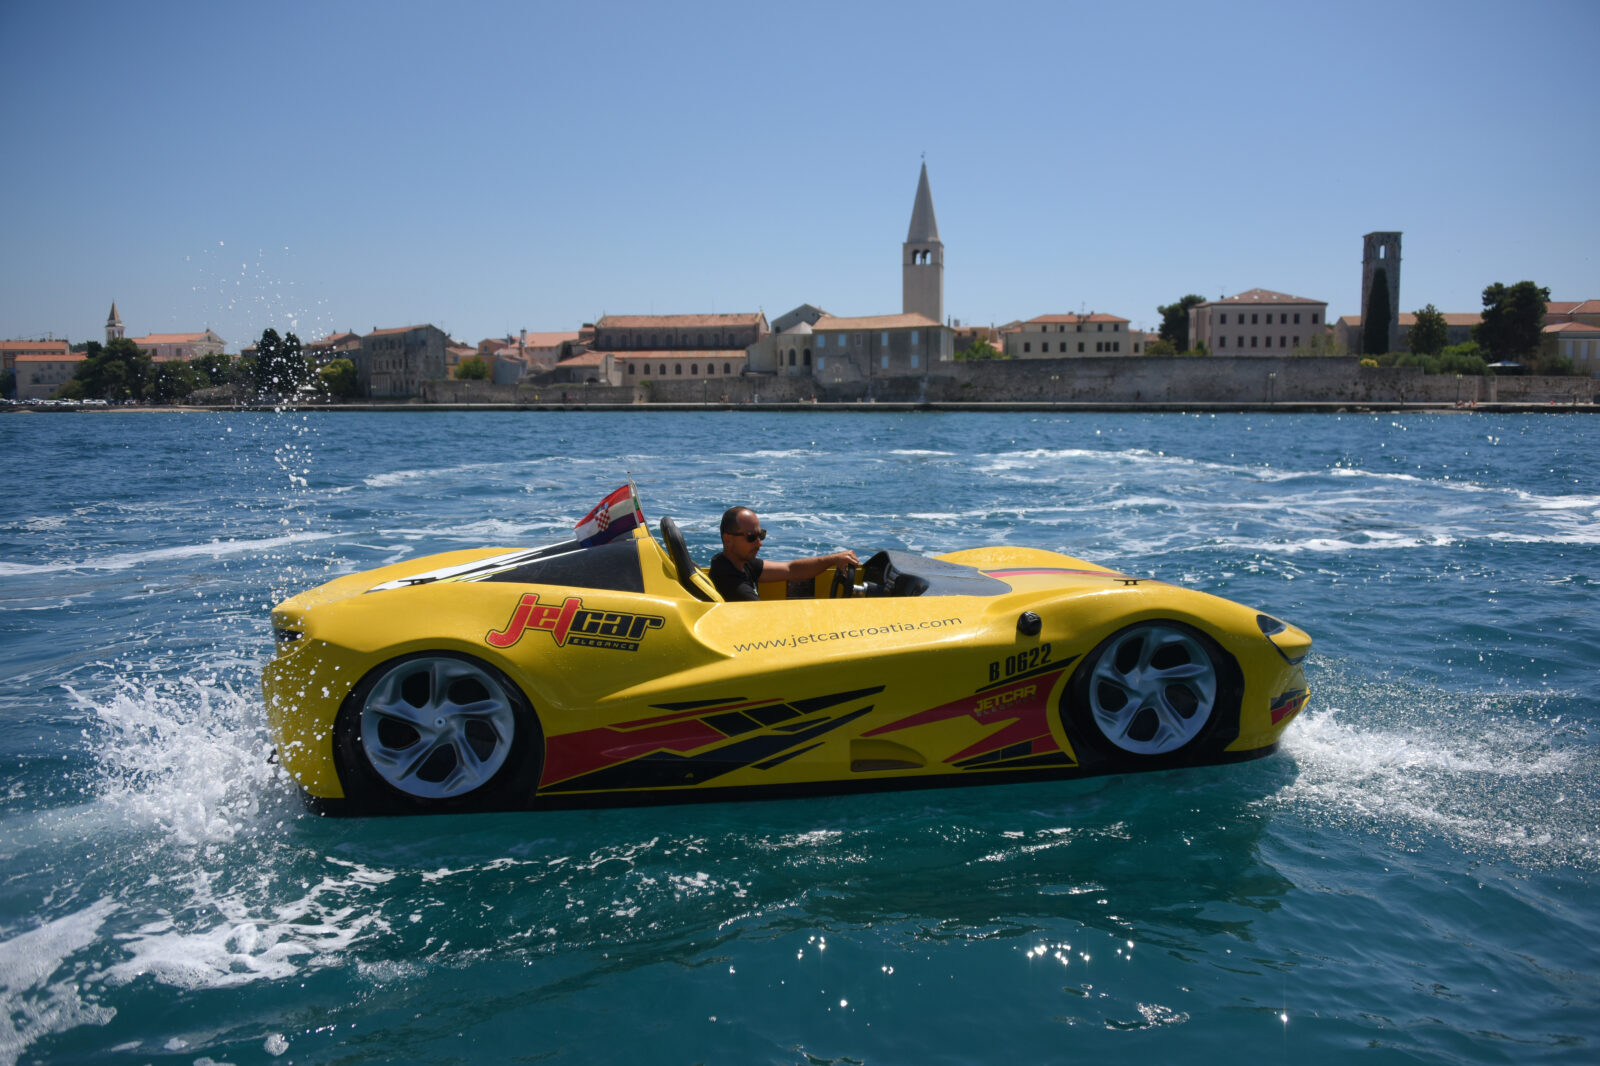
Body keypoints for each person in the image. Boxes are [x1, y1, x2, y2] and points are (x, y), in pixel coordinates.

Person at [709, 506, 859, 602]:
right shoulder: (731, 582)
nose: (759, 543)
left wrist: (833, 559)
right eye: (751, 537)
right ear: (728, 539)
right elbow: (763, 616)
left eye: (760, 535)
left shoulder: (738, 563)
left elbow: (791, 569)